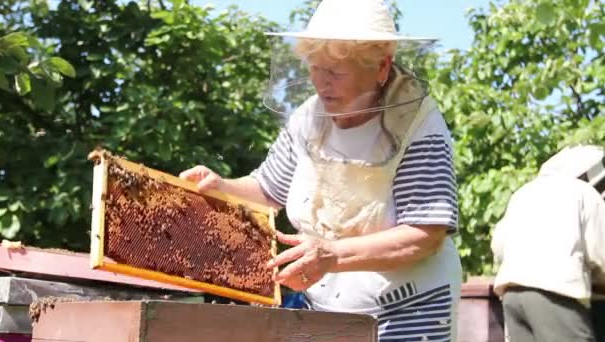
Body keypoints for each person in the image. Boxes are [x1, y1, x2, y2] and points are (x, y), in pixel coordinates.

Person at [180, 0, 462, 340]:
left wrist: (332, 254)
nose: (321, 82)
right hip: (323, 309)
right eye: (315, 67)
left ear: (381, 66)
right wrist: (221, 186)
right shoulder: (308, 118)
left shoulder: (419, 125)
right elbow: (268, 190)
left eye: (337, 72)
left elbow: (425, 235)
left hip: (409, 311)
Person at [491, 144, 605, 342]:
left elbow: (498, 246)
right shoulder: (585, 193)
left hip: (511, 296)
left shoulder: (523, 193)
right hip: (555, 294)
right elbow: (600, 253)